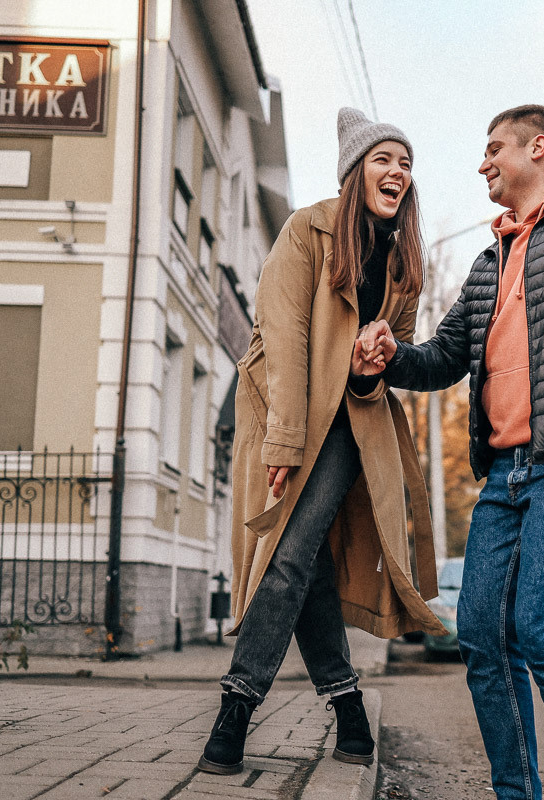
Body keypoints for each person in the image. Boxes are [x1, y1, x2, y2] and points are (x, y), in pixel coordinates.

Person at [356, 104, 544, 800]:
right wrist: (389, 355)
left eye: (494, 148)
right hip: (505, 475)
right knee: (481, 639)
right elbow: (443, 358)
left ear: (538, 146)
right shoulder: (489, 260)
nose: (483, 163)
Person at [198, 107, 445, 776]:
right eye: (383, 159)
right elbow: (285, 337)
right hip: (284, 410)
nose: (397, 172)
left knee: (288, 554)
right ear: (354, 171)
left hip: (348, 425)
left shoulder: (405, 262)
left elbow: (395, 354)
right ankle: (349, 709)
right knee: (301, 563)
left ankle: (235, 707)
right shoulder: (306, 229)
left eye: (405, 163)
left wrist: (375, 363)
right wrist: (283, 443)